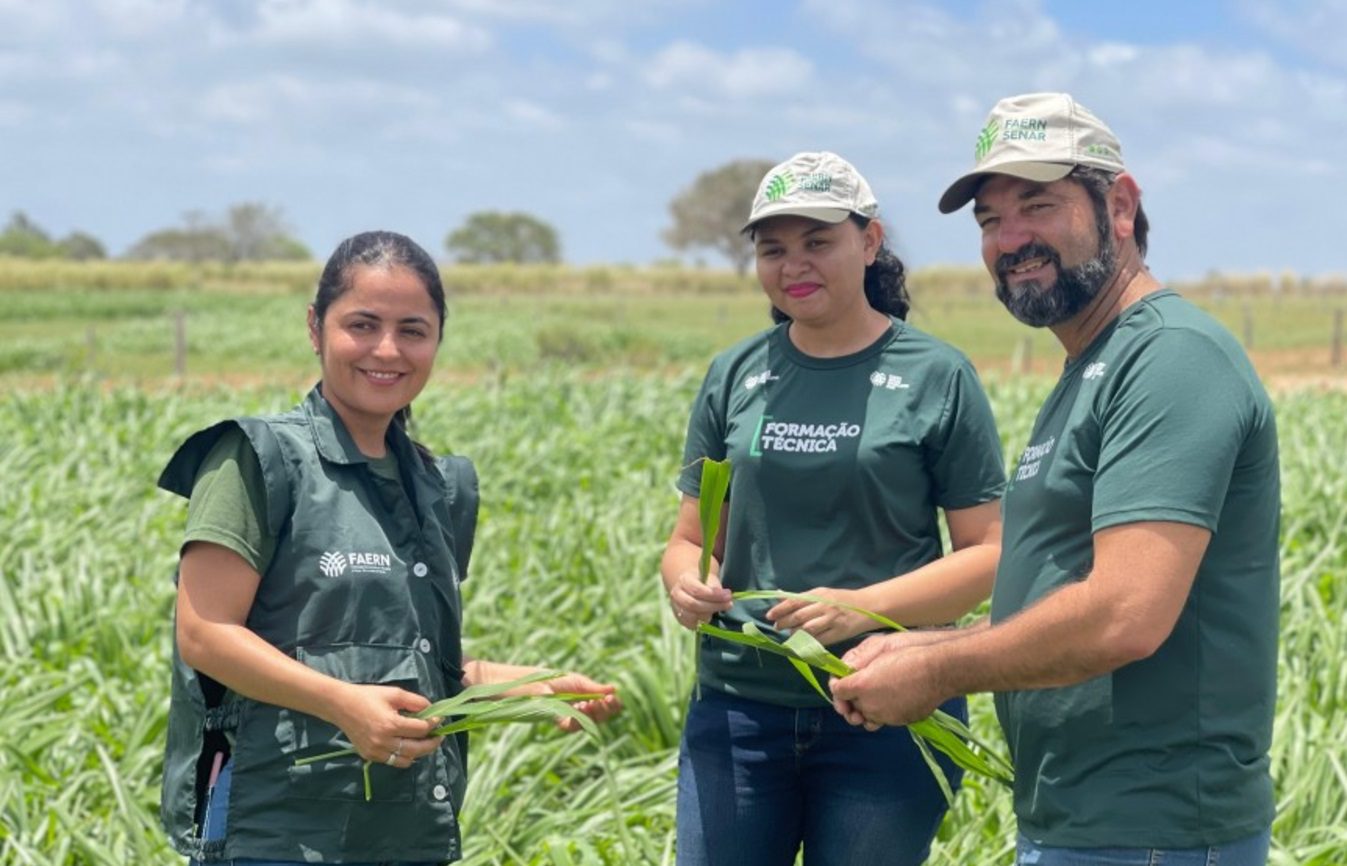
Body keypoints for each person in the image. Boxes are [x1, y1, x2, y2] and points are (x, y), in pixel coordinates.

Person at [831, 93, 1280, 866]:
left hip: (1152, 831)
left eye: (1037, 205)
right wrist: (933, 641)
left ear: (1121, 206)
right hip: (1084, 820)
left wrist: (936, 668)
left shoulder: (1170, 357)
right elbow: (1062, 592)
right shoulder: (1090, 366)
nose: (1011, 240)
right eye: (988, 221)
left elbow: (1124, 613)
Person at [157, 230, 621, 865]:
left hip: (406, 831)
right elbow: (204, 634)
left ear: (436, 340)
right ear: (316, 328)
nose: (387, 349)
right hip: (275, 828)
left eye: (412, 330)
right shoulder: (258, 459)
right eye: (362, 324)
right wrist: (343, 705)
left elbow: (406, 662)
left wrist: (520, 690)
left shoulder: (437, 486)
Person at [662, 151, 1006, 866]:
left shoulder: (935, 375)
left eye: (818, 242)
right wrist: (683, 583)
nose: (795, 265)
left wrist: (863, 609)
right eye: (773, 249)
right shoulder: (735, 374)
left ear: (869, 242)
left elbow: (989, 554)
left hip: (884, 705)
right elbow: (691, 538)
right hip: (736, 710)